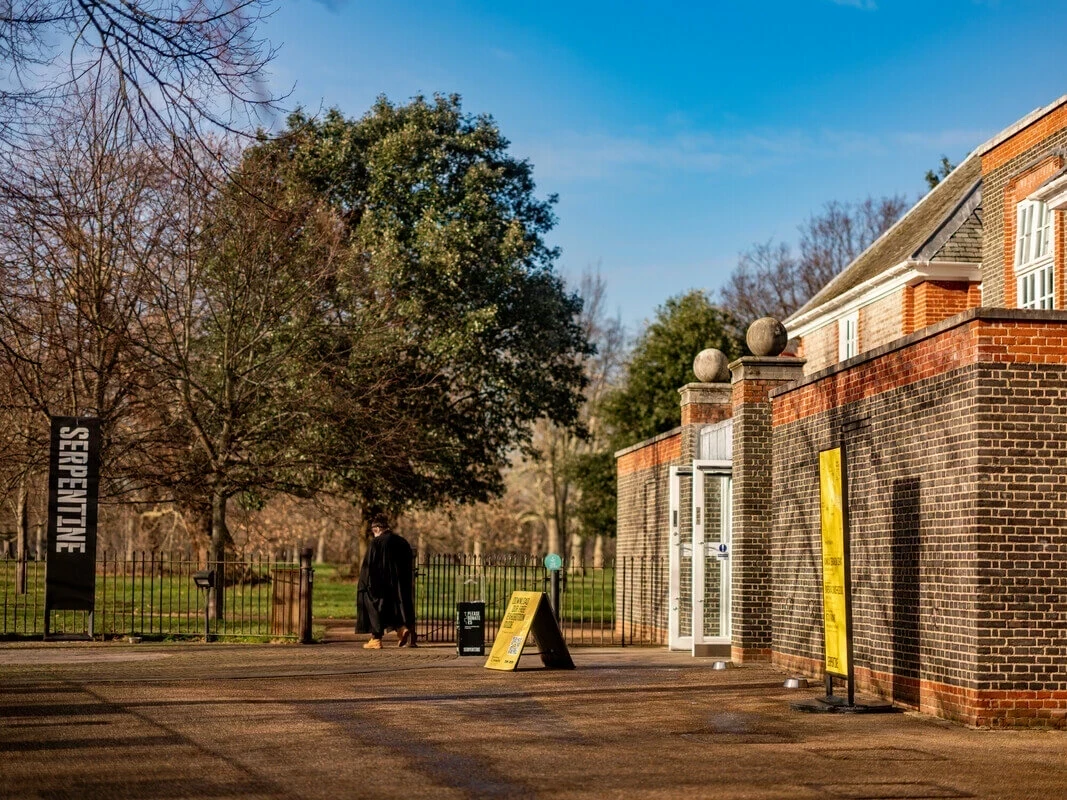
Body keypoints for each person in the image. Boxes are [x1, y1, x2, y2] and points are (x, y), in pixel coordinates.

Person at [355, 514, 416, 649]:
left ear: (376, 529)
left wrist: (363, 584)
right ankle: (401, 629)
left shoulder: (376, 543)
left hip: (379, 583)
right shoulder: (402, 542)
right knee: (393, 607)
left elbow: (369, 566)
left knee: (373, 606)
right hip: (399, 584)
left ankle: (376, 639)